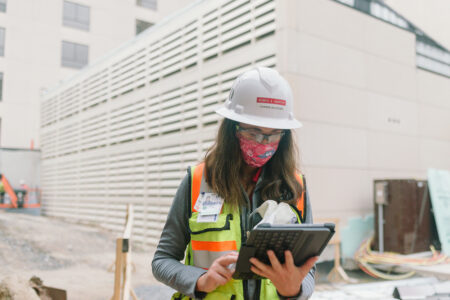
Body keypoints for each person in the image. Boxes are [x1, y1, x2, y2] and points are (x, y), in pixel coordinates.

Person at [152, 67, 317, 299]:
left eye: (274, 134)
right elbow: (162, 260)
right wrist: (200, 280)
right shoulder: (197, 181)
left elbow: (308, 270)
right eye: (253, 132)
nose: (264, 142)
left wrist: (295, 290)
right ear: (232, 128)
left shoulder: (295, 186)